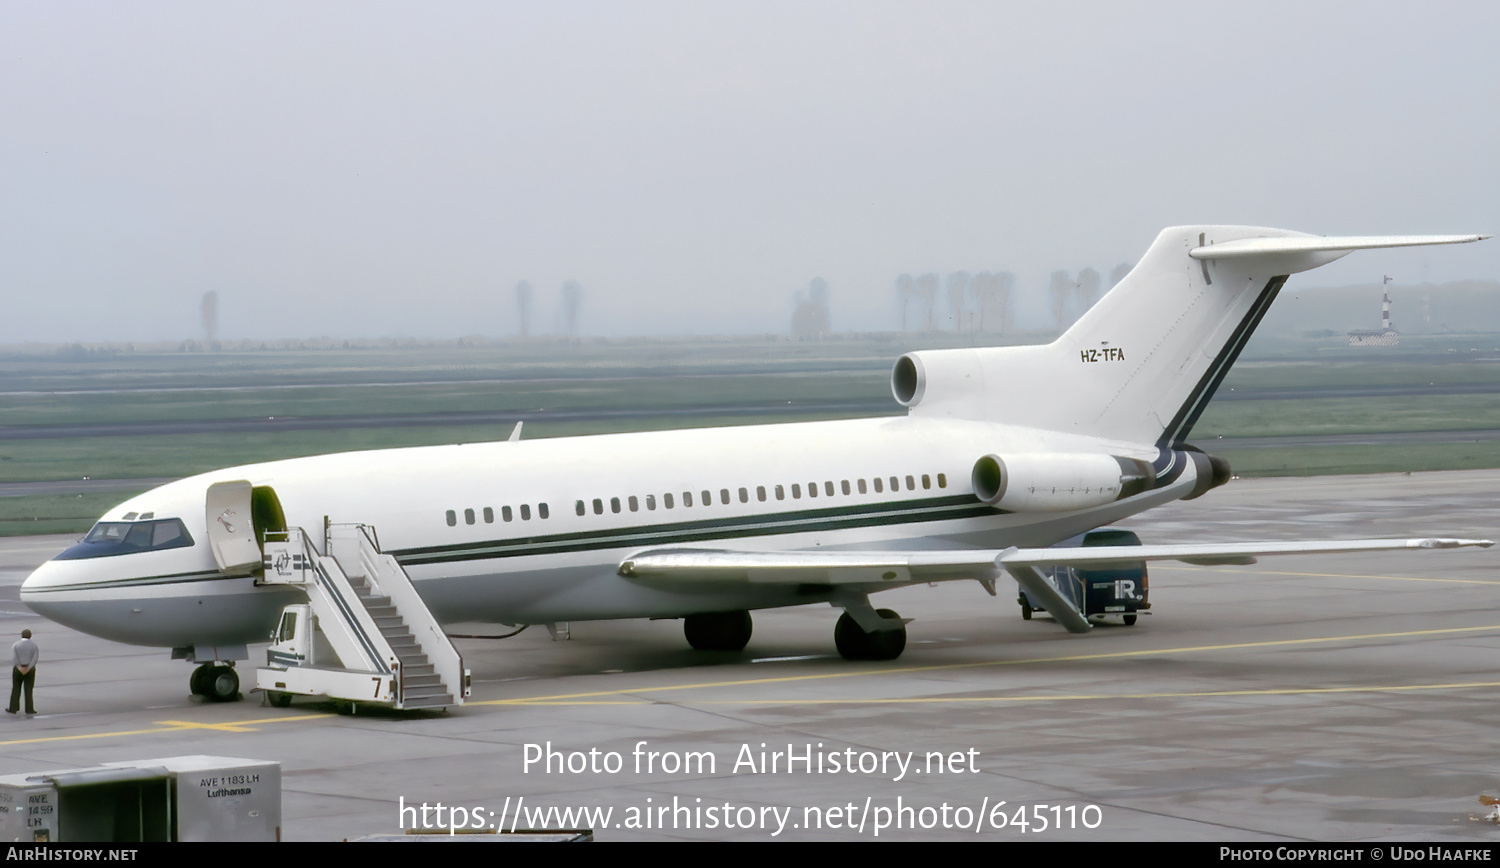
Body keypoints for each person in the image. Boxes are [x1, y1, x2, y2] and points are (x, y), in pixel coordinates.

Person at [8, 630, 37, 715]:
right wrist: (29, 667)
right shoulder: (34, 645)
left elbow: (15, 658)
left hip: (18, 668)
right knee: (28, 689)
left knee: (16, 688)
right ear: (30, 635)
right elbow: (35, 658)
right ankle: (29, 709)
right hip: (30, 669)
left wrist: (20, 667)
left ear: (22, 635)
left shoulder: (16, 644)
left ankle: (13, 708)